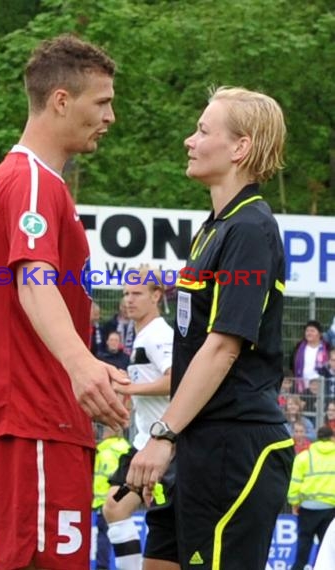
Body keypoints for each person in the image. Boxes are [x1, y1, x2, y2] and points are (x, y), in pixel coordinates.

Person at [0, 34, 129, 570]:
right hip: (34, 418)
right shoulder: (34, 182)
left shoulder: (18, 180)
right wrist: (82, 364)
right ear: (61, 100)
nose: (110, 115)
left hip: (33, 416)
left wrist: (87, 367)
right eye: (101, 102)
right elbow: (32, 280)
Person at [127, 86, 295, 570]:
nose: (189, 140)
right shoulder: (215, 228)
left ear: (240, 148)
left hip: (234, 444)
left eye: (202, 130)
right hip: (196, 442)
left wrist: (162, 434)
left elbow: (223, 348)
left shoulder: (250, 228)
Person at [103, 267, 177, 570]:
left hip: (166, 446)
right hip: (144, 442)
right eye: (125, 294)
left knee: (177, 531)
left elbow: (177, 380)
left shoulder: (158, 334)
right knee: (114, 507)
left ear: (156, 296)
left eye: (136, 293)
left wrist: (129, 387)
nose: (128, 300)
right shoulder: (142, 335)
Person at [287, 425, 335, 570]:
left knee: (303, 546)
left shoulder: (304, 457)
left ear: (316, 438)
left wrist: (294, 503)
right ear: (332, 438)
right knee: (327, 548)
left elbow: (294, 483)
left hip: (307, 508)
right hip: (331, 509)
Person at [92, 426, 131, 570]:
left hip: (104, 501)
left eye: (105, 431)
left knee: (103, 537)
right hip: (127, 501)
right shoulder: (127, 448)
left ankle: (102, 567)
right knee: (123, 534)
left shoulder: (102, 450)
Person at [291, 320, 330, 392]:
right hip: (302, 387)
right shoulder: (298, 347)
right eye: (307, 331)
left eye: (312, 331)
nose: (309, 333)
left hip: (322, 388)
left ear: (319, 334)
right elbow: (292, 365)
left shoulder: (327, 348)